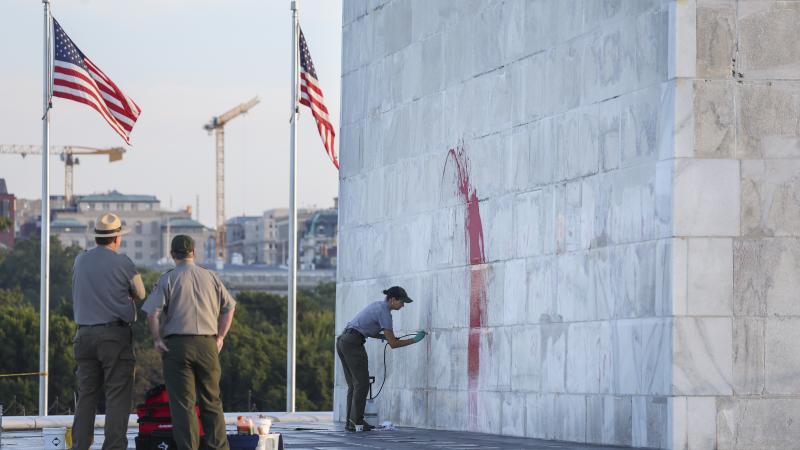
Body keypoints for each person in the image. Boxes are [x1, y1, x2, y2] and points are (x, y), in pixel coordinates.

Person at [142, 235, 236, 450]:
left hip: (177, 346)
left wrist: (157, 339)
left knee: (183, 404)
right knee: (211, 401)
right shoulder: (211, 277)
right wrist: (220, 337)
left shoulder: (168, 279)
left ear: (173, 254)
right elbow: (229, 307)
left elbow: (151, 314)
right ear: (194, 252)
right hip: (208, 344)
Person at [71, 213, 146, 450]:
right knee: (117, 396)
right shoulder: (122, 263)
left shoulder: (79, 260)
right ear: (116, 239)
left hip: (83, 336)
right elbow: (141, 293)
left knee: (86, 397)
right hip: (114, 336)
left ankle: (80, 445)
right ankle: (113, 447)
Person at [336, 286, 427, 431]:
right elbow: (394, 344)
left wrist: (380, 335)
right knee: (362, 384)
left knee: (354, 385)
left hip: (343, 340)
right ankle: (356, 422)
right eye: (401, 302)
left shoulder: (377, 306)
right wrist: (415, 340)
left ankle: (351, 422)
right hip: (353, 343)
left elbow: (364, 326)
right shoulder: (385, 313)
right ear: (392, 299)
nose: (403, 305)